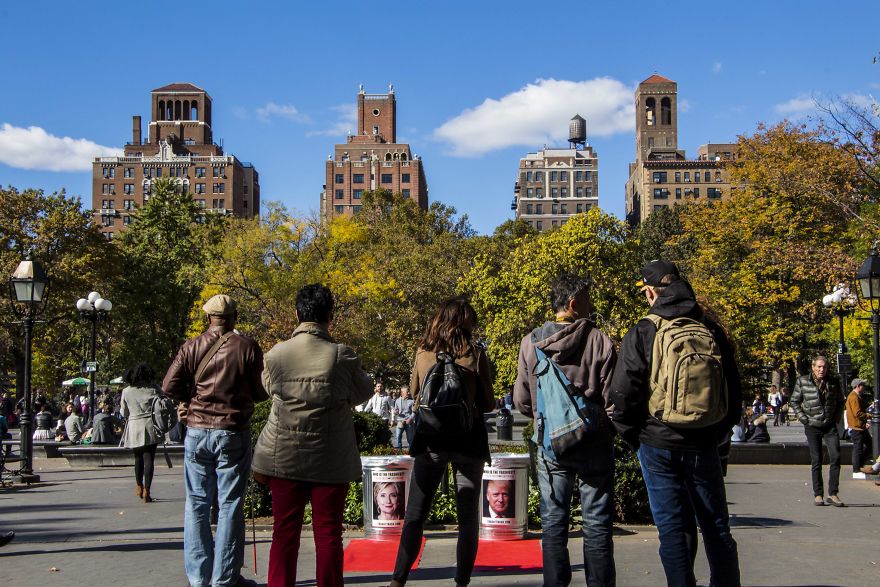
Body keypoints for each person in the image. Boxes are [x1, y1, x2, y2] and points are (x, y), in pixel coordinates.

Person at [610, 260, 742, 587]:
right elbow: (734, 391)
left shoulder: (645, 329)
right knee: (716, 527)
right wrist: (715, 432)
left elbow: (622, 393)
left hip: (657, 443)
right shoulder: (709, 327)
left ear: (652, 291)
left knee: (672, 531)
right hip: (703, 443)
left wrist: (636, 438)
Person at [251, 284, 373, 587]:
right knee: (329, 532)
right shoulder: (342, 356)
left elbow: (267, 389)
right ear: (330, 316)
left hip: (284, 455)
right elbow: (363, 392)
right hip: (331, 459)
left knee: (284, 532)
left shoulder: (276, 354)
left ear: (296, 314)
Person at [514, 272, 617, 587]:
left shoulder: (531, 342)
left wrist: (550, 418)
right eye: (587, 299)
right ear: (573, 303)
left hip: (551, 446)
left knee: (554, 524)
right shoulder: (599, 340)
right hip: (595, 444)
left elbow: (521, 401)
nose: (591, 305)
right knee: (597, 526)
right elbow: (613, 399)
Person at [163, 294, 268, 587]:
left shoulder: (191, 346)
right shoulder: (247, 347)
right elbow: (261, 392)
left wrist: (191, 399)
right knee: (230, 503)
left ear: (208, 317)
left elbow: (169, 384)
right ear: (234, 317)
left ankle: (199, 578)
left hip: (196, 431)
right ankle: (225, 578)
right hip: (232, 429)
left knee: (196, 502)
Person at [389, 298, 494, 587]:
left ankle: (398, 580)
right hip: (468, 441)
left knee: (416, 514)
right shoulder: (476, 354)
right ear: (466, 323)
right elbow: (487, 403)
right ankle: (461, 580)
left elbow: (413, 392)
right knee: (468, 518)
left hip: (431, 441)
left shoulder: (423, 352)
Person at [790, 355, 845, 507]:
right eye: (819, 367)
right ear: (813, 367)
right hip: (812, 425)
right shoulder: (803, 381)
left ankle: (833, 493)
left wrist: (836, 419)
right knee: (816, 460)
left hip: (829, 425)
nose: (822, 370)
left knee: (836, 457)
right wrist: (804, 419)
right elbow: (794, 401)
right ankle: (818, 494)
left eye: (824, 367)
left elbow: (841, 401)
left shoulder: (833, 381)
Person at [121, 363, 163, 502]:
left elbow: (123, 412)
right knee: (149, 458)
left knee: (138, 458)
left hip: (134, 426)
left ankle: (139, 485)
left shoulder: (126, 391)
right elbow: (162, 405)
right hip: (151, 425)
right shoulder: (154, 388)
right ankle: (147, 491)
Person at [846, 378, 872, 478]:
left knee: (869, 445)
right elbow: (857, 413)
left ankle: (859, 466)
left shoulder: (855, 396)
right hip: (856, 428)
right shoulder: (854, 397)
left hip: (859, 427)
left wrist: (864, 423)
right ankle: (856, 470)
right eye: (862, 385)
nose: (864, 387)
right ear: (857, 386)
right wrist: (869, 416)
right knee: (858, 449)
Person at [393, 386, 415, 451]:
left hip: (409, 421)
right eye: (407, 392)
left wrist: (410, 419)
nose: (408, 393)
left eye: (408, 391)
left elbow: (414, 412)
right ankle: (399, 451)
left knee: (410, 438)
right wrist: (395, 412)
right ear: (402, 393)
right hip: (400, 421)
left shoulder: (411, 401)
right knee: (398, 436)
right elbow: (395, 411)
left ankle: (411, 452)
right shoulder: (397, 401)